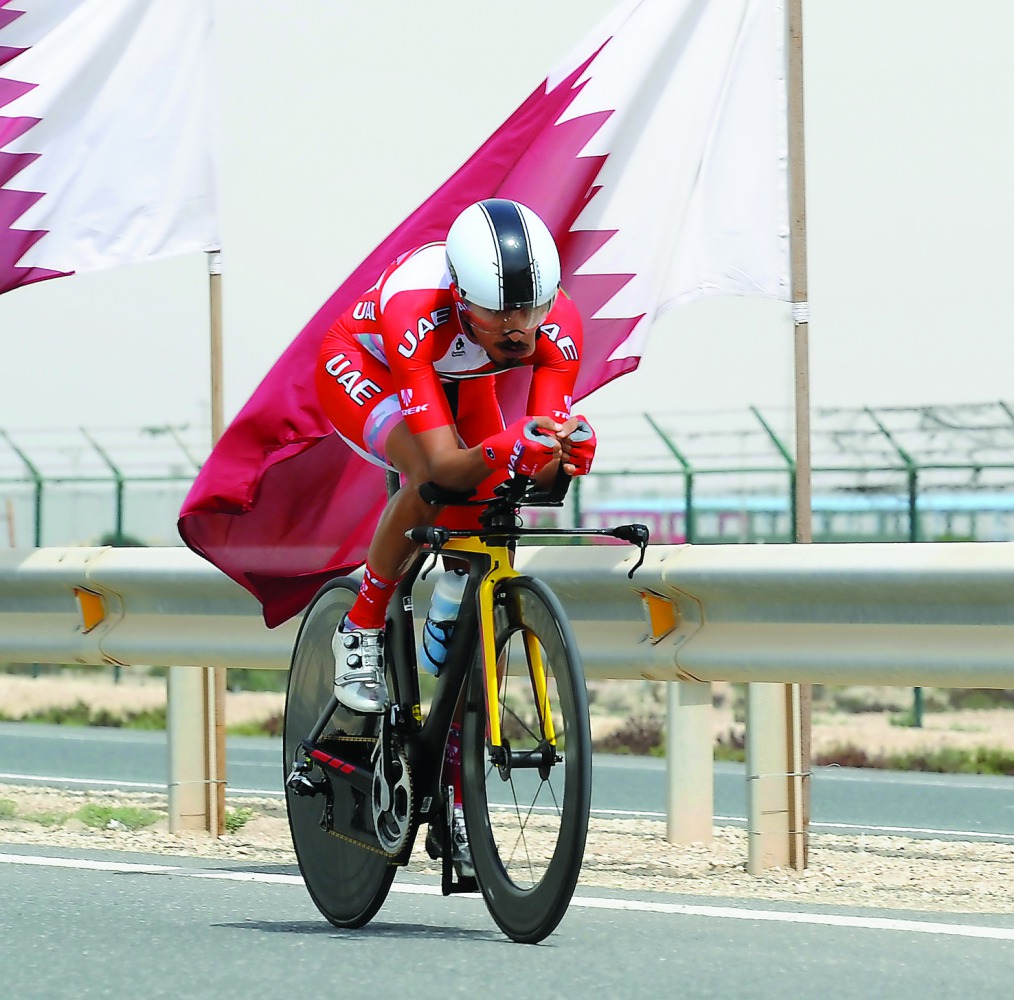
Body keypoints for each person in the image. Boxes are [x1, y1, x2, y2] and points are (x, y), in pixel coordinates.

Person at [315, 197, 597, 874]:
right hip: (368, 367)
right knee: (428, 481)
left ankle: (458, 798)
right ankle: (360, 624)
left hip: (461, 376)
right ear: (461, 295)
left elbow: (539, 445)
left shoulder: (558, 325)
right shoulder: (418, 308)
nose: (520, 328)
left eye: (532, 309)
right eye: (501, 312)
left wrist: (563, 452)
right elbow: (445, 469)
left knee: (493, 499)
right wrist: (511, 446)